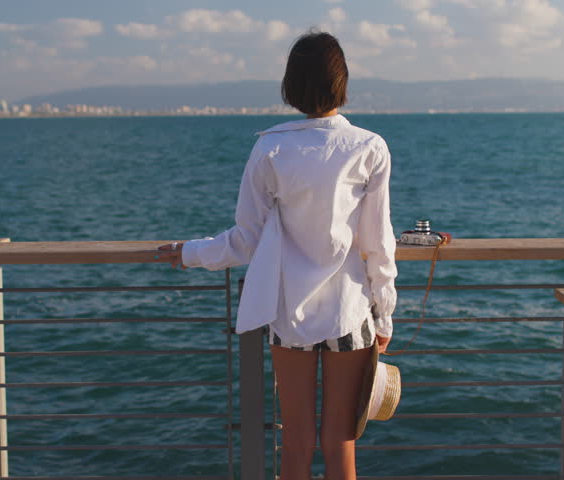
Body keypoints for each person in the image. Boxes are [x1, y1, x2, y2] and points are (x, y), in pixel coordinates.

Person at [157, 31, 397, 480]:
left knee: (297, 443)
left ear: (291, 86)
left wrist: (188, 252)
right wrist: (384, 316)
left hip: (290, 315)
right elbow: (377, 245)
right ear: (342, 82)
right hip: (350, 313)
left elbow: (245, 239)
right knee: (340, 444)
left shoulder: (270, 148)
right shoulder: (369, 147)